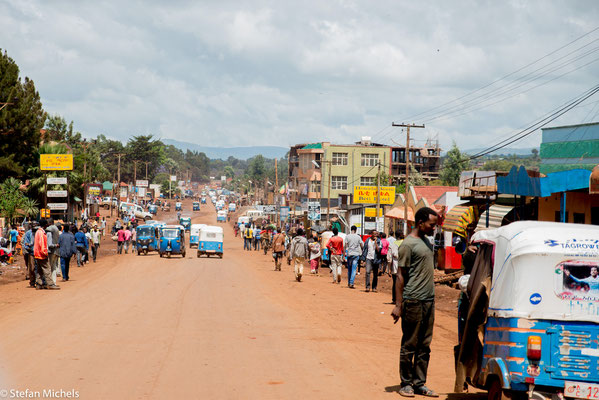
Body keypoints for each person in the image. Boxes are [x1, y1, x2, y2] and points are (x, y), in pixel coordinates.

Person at [391, 207, 439, 398]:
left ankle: (420, 383)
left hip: (429, 301)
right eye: (431, 224)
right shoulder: (408, 245)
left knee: (425, 345)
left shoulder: (426, 241)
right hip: (413, 301)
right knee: (409, 344)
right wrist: (398, 304)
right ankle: (406, 383)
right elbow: (400, 276)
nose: (434, 228)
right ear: (420, 223)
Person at [34, 219, 59, 290]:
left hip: (37, 254)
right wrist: (45, 253)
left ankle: (39, 284)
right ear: (45, 225)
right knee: (47, 269)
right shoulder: (41, 233)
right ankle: (50, 284)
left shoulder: (37, 232)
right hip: (42, 254)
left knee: (39, 270)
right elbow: (42, 244)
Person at [389, 231, 404, 304]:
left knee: (395, 283)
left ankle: (395, 299)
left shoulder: (393, 244)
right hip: (404, 265)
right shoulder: (405, 243)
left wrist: (389, 268)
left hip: (395, 265)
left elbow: (390, 258)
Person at [46, 219, 60, 284]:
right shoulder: (56, 229)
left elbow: (50, 244)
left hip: (52, 250)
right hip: (56, 250)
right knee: (54, 267)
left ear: (50, 223)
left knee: (50, 267)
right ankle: (54, 281)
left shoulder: (51, 229)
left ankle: (50, 282)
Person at [22, 222, 36, 288]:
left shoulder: (40, 232)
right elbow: (25, 243)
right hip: (32, 253)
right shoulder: (28, 233)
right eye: (33, 225)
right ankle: (32, 282)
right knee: (32, 268)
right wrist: (28, 248)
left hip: (39, 252)